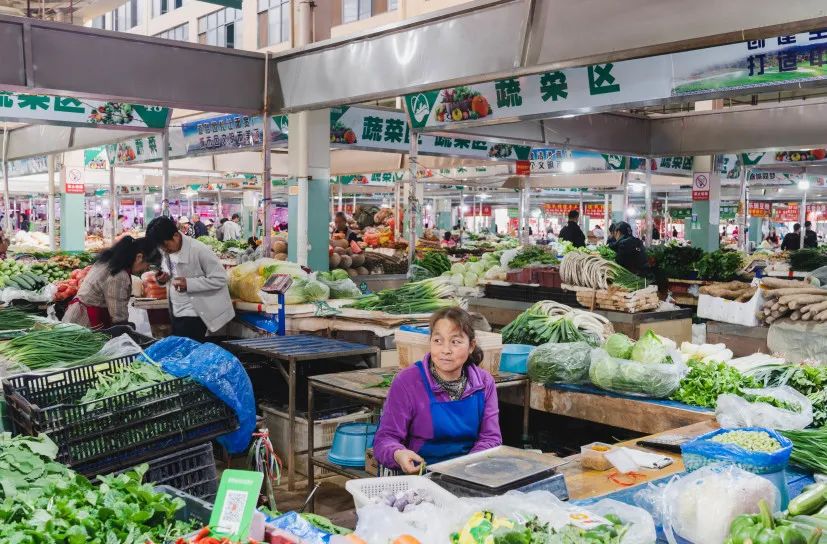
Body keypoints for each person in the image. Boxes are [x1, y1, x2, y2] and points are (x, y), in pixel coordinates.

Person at [373, 307, 502, 473]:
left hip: (467, 472)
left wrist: (465, 468)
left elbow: (490, 438)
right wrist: (398, 454)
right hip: (419, 473)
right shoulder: (407, 381)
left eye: (455, 342)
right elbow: (385, 439)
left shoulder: (484, 383)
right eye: (438, 341)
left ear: (471, 346)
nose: (445, 350)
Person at [145, 216, 234, 342]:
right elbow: (169, 272)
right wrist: (162, 278)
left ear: (175, 235)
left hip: (196, 314)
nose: (164, 249)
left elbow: (220, 278)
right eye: (161, 247)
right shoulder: (167, 251)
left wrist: (189, 284)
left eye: (165, 245)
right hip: (177, 313)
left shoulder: (199, 250)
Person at [62, 236, 158, 329]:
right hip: (84, 322)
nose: (146, 269)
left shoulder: (107, 262)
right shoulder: (118, 275)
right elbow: (119, 317)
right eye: (147, 265)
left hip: (76, 316)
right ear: (139, 257)